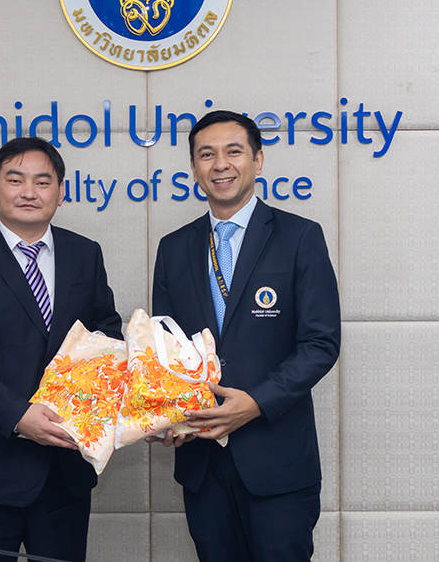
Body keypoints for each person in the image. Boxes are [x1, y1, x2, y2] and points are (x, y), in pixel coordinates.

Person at [151, 110, 341, 561]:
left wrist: (255, 403)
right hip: (202, 461)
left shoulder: (299, 237)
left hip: (276, 461)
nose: (220, 164)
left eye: (233, 151)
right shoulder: (174, 248)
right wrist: (168, 415)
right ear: (193, 168)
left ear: (257, 160)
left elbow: (320, 343)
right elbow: (164, 348)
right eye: (206, 155)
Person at [0, 137, 122, 562]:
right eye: (15, 180)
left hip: (66, 466)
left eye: (42, 182)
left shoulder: (84, 254)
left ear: (61, 191)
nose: (29, 192)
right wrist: (18, 415)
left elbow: (106, 333)